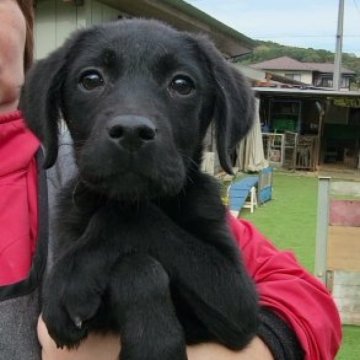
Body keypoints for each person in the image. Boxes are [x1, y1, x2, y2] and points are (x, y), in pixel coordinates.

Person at [0, 1, 342, 359]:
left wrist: (128, 229)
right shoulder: (73, 199)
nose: (131, 121)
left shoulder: (192, 204)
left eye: (181, 84)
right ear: (55, 104)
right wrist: (138, 280)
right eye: (91, 80)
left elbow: (256, 311)